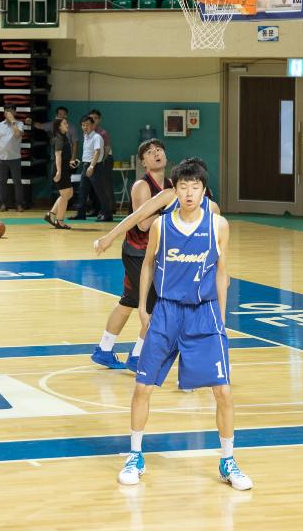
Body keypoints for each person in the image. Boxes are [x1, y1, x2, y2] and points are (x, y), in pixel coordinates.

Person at [117, 159, 252, 491]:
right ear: (174, 190)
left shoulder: (218, 225)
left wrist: (221, 317)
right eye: (183, 187)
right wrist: (144, 311)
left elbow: (222, 273)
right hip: (166, 312)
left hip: (204, 313)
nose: (189, 193)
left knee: (223, 391)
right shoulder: (162, 226)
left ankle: (228, 460)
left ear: (203, 191)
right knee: (142, 387)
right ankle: (135, 455)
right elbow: (148, 265)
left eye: (195, 187)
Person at [90, 139, 172, 370]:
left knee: (128, 302)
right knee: (154, 307)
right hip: (138, 253)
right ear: (143, 162)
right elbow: (144, 224)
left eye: (159, 150)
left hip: (152, 253)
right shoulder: (142, 186)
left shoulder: (170, 184)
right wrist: (170, 214)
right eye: (149, 152)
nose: (156, 153)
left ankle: (104, 350)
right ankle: (137, 357)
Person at [0, 105, 30, 212]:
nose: (8, 113)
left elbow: (17, 134)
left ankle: (19, 204)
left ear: (14, 112)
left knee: (17, 182)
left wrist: (13, 121)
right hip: (1, 158)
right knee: (2, 182)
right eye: (6, 111)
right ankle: (3, 203)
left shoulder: (20, 124)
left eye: (10, 111)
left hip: (15, 158)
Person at [70, 116, 105, 221]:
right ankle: (81, 213)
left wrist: (92, 166)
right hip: (86, 165)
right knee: (83, 190)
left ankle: (106, 213)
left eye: (88, 125)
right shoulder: (86, 136)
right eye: (83, 125)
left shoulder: (96, 137)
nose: (85, 127)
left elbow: (97, 151)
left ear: (93, 125)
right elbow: (88, 153)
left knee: (99, 191)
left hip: (94, 166)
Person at [46, 118, 76, 229]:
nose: (67, 125)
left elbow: (63, 156)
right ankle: (60, 221)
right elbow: (58, 155)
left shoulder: (63, 137)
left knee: (69, 193)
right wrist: (59, 171)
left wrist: (70, 163)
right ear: (59, 126)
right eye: (64, 123)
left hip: (64, 168)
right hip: (60, 169)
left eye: (67, 123)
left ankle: (51, 214)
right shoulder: (58, 138)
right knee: (65, 195)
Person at [88, 109, 115, 221]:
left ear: (99, 120)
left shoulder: (102, 133)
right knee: (94, 187)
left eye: (95, 118)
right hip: (92, 162)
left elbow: (107, 149)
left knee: (105, 187)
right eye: (91, 118)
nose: (93, 120)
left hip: (104, 160)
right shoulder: (88, 133)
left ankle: (108, 211)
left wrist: (101, 162)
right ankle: (96, 209)